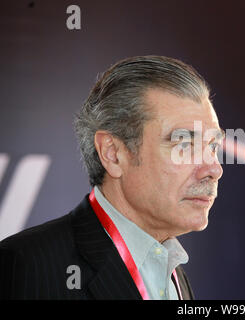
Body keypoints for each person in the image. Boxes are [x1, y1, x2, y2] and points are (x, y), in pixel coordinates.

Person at [0, 55, 224, 300]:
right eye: (184, 144)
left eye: (212, 146)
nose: (213, 169)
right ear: (113, 154)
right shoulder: (25, 267)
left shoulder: (172, 271)